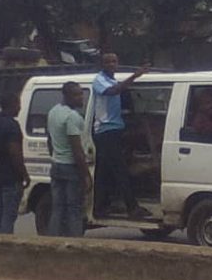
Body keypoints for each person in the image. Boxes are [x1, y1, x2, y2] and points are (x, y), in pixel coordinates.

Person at [92, 53, 148, 218]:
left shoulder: (113, 80)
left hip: (115, 129)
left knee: (105, 172)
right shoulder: (100, 80)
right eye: (108, 61)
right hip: (106, 130)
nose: (111, 64)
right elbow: (114, 91)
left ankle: (101, 206)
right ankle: (132, 207)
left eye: (114, 61)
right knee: (120, 170)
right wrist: (135, 76)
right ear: (102, 64)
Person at [47, 81, 91, 237]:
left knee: (57, 208)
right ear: (66, 96)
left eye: (81, 94)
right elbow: (77, 150)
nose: (81, 98)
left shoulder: (53, 112)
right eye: (77, 95)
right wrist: (85, 174)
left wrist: (55, 156)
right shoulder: (72, 117)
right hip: (70, 167)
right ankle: (75, 242)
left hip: (57, 164)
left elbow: (50, 140)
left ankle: (52, 242)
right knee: (74, 209)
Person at [0, 92, 29, 234]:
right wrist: (24, 175)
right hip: (10, 178)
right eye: (18, 104)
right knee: (8, 216)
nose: (20, 108)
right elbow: (15, 153)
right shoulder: (12, 126)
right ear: (12, 105)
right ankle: (5, 244)